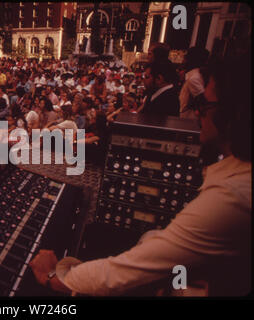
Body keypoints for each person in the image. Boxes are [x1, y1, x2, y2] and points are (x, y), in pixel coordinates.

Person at [30, 54, 251, 296]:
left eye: (205, 105)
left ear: (234, 113)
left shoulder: (232, 196)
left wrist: (55, 276)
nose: (197, 113)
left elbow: (122, 274)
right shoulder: (234, 178)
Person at [179, 46, 209, 120]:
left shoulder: (193, 78)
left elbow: (202, 100)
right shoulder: (194, 75)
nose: (183, 60)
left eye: (186, 57)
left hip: (189, 118)